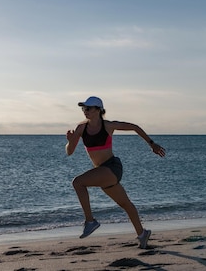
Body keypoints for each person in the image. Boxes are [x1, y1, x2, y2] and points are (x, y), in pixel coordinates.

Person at [65, 96, 166, 249]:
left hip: (112, 168)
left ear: (98, 110)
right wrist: (71, 140)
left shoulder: (108, 126)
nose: (85, 111)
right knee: (125, 204)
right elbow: (69, 152)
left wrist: (151, 144)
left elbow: (134, 127)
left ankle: (90, 221)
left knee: (78, 182)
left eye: (89, 108)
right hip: (101, 172)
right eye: (83, 108)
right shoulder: (81, 128)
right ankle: (142, 234)